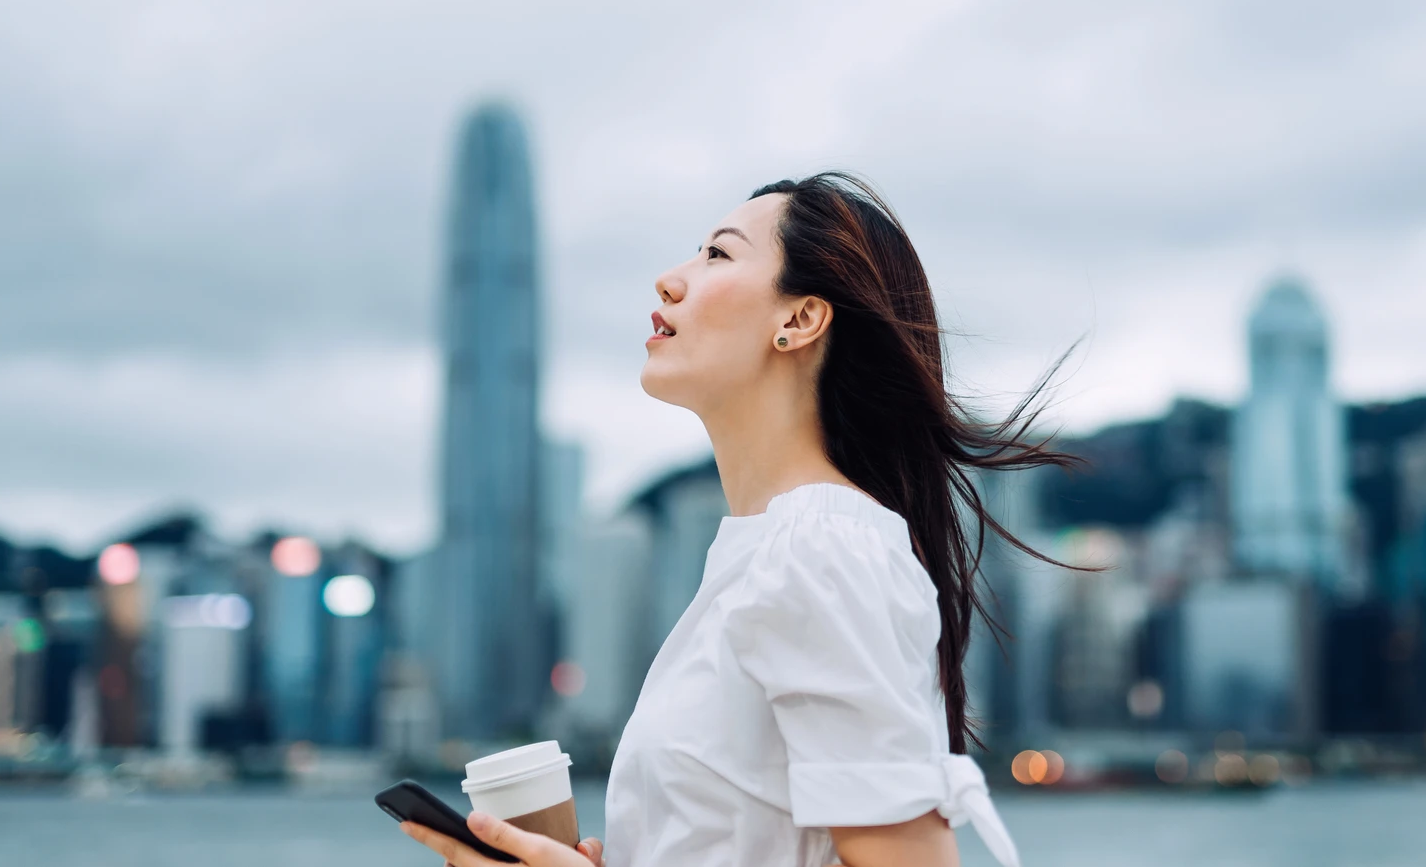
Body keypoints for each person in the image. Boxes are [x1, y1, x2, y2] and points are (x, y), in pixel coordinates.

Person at [401, 173, 1075, 867]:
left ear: (799, 319)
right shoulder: (768, 553)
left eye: (717, 255)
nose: (668, 279)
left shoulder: (822, 551)